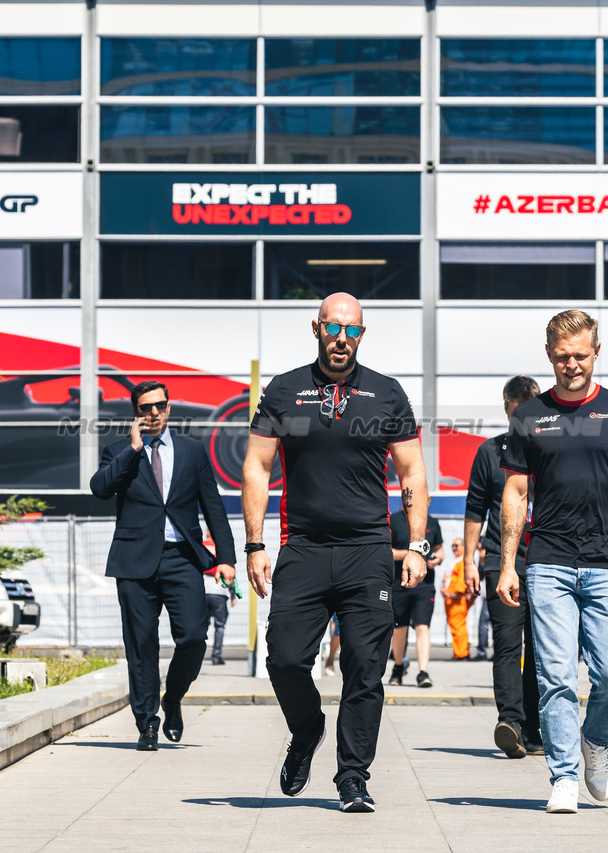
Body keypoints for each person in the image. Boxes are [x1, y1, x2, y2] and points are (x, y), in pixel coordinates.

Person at [242, 292, 430, 814]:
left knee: (366, 669)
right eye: (333, 328)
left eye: (352, 331)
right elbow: (257, 466)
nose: (342, 338)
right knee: (283, 657)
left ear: (362, 336)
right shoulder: (284, 390)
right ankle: (306, 731)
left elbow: (412, 471)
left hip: (367, 550)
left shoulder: (387, 394)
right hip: (301, 546)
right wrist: (255, 543)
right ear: (317, 328)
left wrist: (415, 544)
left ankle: (353, 778)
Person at [498, 310, 608, 814]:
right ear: (550, 354)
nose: (572, 364)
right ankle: (564, 775)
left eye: (581, 355)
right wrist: (508, 563)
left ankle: (596, 742)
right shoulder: (529, 416)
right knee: (556, 675)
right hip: (547, 562)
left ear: (596, 353)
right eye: (563, 356)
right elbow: (516, 491)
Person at [89, 380, 236, 751]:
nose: (153, 413)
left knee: (193, 636)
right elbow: (100, 488)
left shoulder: (192, 451)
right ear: (135, 413)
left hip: (181, 558)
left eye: (160, 406)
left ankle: (172, 699)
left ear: (169, 407)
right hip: (133, 561)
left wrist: (227, 559)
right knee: (141, 645)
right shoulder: (119, 450)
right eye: (145, 408)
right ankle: (147, 723)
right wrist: (133, 450)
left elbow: (213, 507)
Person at [463, 375, 543, 760]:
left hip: (546, 564)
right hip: (500, 562)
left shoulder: (550, 449)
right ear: (506, 408)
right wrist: (469, 562)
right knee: (508, 645)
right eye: (515, 416)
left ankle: (534, 728)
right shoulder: (489, 452)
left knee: (543, 650)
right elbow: (475, 510)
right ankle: (510, 722)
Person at [388, 511, 443, 687]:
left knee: (422, 626)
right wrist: (413, 554)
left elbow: (440, 550)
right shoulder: (395, 521)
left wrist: (438, 559)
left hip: (425, 585)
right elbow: (387, 551)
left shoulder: (432, 522)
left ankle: (423, 672)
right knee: (399, 629)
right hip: (400, 583)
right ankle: (397, 668)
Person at [442, 539, 473, 659]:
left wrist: (457, 591)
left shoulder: (463, 560)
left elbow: (462, 577)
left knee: (458, 626)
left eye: (457, 545)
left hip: (457, 599)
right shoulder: (458, 560)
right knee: (456, 626)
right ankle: (459, 652)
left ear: (464, 546)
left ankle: (461, 654)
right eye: (452, 545)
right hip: (451, 599)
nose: (454, 548)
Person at [203, 567, 233, 666]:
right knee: (220, 626)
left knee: (202, 626)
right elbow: (231, 578)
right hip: (219, 593)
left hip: (203, 593)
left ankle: (196, 655)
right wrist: (234, 595)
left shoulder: (203, 557)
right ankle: (216, 656)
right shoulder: (224, 560)